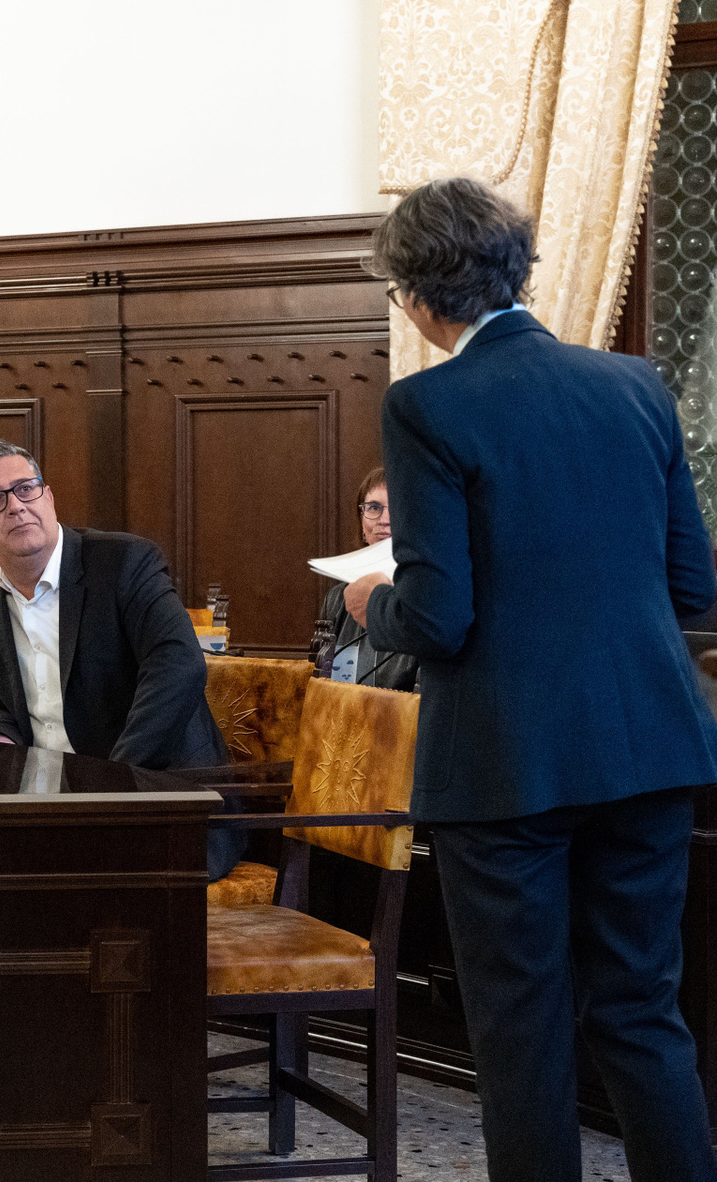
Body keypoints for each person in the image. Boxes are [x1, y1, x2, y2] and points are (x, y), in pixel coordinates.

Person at [343, 177, 717, 1182]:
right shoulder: (636, 383)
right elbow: (694, 585)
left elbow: (439, 618)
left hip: (505, 762)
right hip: (651, 747)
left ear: (417, 295)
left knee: (521, 1025)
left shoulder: (426, 403)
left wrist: (372, 601)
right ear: (518, 271)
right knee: (642, 1008)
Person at [0, 440, 239, 879]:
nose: (16, 506)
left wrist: (108, 781)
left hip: (157, 794)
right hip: (45, 805)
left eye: (26, 489)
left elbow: (179, 666)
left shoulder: (125, 561)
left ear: (48, 497)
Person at [315, 469, 416, 692]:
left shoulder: (426, 598)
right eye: (374, 508)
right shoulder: (336, 600)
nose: (385, 520)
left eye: (397, 508)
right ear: (362, 526)